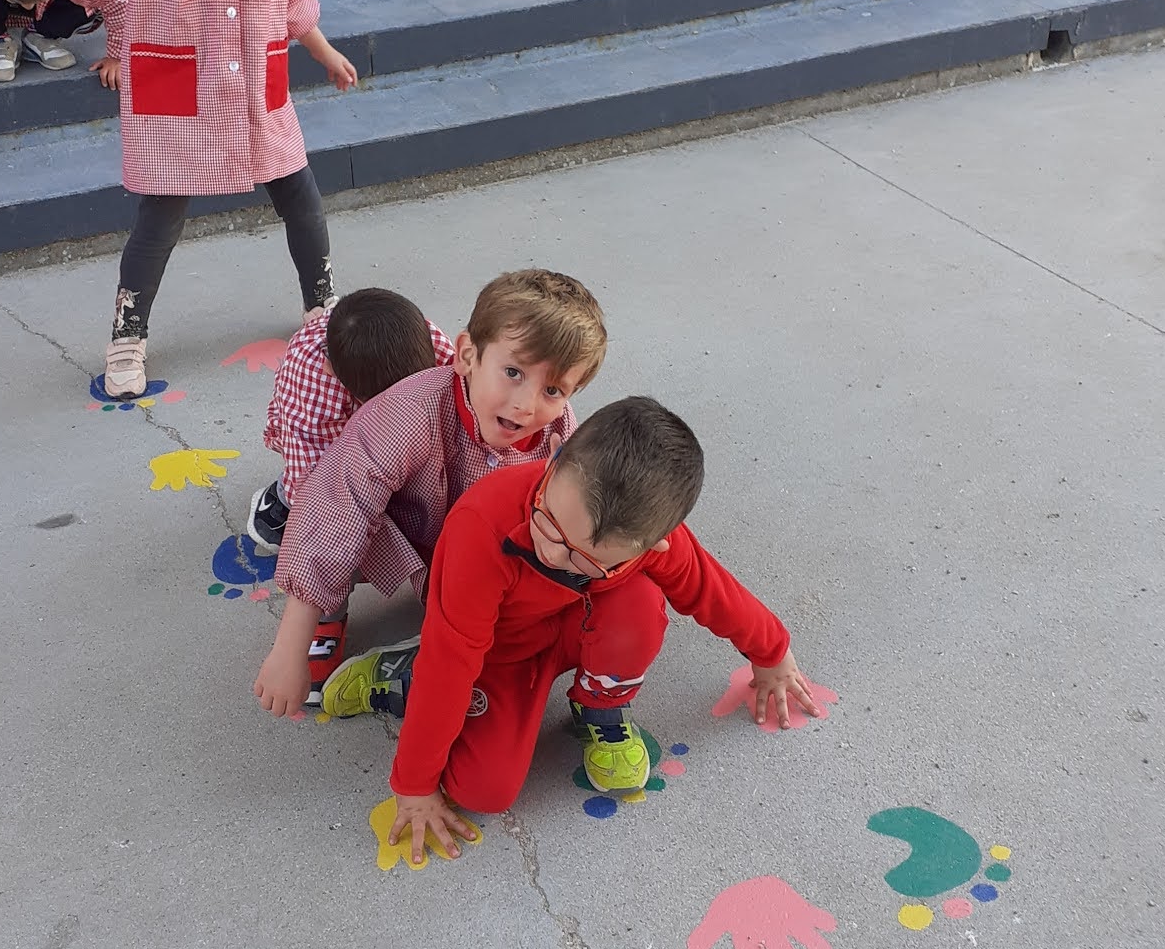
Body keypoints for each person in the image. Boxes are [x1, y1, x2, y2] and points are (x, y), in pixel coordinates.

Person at [321, 396, 824, 865]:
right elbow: (451, 666)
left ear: (654, 545)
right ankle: (402, 673)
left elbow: (711, 590)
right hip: (497, 652)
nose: (553, 555)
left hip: (578, 628)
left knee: (640, 606)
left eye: (585, 559)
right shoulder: (482, 524)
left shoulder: (650, 539)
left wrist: (772, 655)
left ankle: (599, 707)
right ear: (555, 457)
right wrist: (413, 784)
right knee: (483, 791)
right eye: (549, 525)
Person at [45, 0, 358, 400]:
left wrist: (324, 51)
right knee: (159, 218)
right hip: (177, 102)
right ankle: (127, 335)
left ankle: (322, 307)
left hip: (257, 97)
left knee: (301, 199)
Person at [253, 268, 606, 715]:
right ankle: (326, 614)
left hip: (467, 548)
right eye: (513, 372)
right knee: (337, 524)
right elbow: (336, 505)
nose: (526, 404)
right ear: (467, 356)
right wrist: (289, 647)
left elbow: (581, 499)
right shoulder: (406, 413)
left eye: (553, 389)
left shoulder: (557, 428)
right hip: (397, 526)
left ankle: (414, 659)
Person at [246, 285, 456, 553]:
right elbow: (313, 480)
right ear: (332, 370)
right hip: (316, 438)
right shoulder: (312, 387)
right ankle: (279, 501)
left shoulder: (427, 342)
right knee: (329, 526)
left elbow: (465, 402)